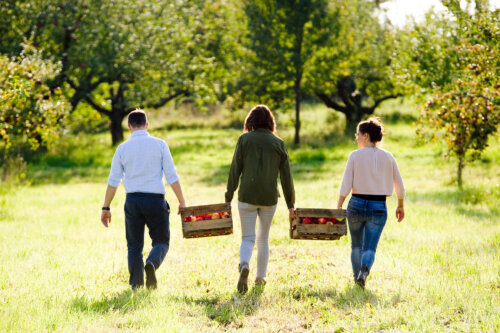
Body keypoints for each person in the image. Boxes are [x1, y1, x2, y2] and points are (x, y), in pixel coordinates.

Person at [100, 109, 186, 290]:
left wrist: (106, 207)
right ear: (147, 125)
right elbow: (171, 176)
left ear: (129, 127)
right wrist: (182, 201)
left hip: (132, 201)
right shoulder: (160, 145)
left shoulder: (122, 148)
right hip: (155, 200)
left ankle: (136, 286)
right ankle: (152, 264)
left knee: (134, 245)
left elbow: (113, 181)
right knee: (162, 241)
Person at [226, 105, 296, 293]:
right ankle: (260, 278)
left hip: (246, 196)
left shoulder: (244, 140)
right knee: (263, 238)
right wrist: (291, 204)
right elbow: (286, 177)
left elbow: (235, 169)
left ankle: (244, 264)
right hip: (269, 198)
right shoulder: (278, 143)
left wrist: (228, 195)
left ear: (250, 122)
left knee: (247, 237)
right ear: (271, 122)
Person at [337, 117, 405, 289]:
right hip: (378, 207)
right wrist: (400, 205)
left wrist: (339, 205)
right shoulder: (388, 157)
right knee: (370, 248)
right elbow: (399, 184)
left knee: (356, 245)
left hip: (356, 204)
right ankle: (364, 271)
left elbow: (346, 183)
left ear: (366, 135)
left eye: (357, 134)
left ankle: (356, 279)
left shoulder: (354, 156)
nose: (356, 137)